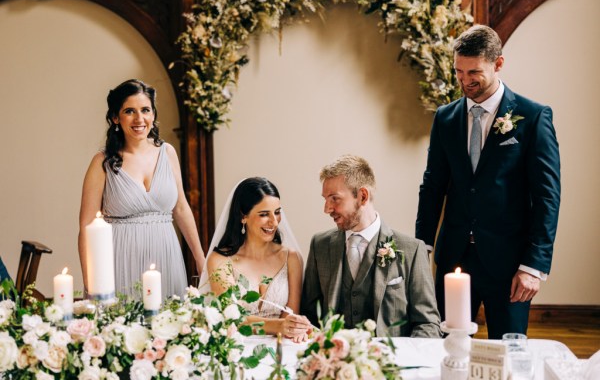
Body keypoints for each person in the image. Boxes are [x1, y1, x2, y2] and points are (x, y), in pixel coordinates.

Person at [416, 25, 561, 338]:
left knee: (506, 353)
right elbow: (433, 186)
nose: (465, 80)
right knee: (446, 349)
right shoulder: (445, 117)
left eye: (474, 72)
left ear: (498, 64)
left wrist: (532, 266)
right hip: (454, 258)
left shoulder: (533, 117)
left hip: (509, 263)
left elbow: (547, 197)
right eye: (458, 71)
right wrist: (421, 247)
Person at [78, 79, 205, 300]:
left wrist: (201, 261)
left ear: (153, 115)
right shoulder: (102, 163)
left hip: (167, 256)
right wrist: (90, 283)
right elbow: (86, 228)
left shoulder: (168, 153)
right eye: (130, 111)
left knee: (172, 326)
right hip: (120, 259)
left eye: (145, 110)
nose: (139, 119)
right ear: (116, 118)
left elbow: (182, 209)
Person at [301, 155, 441, 338]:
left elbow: (427, 324)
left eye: (334, 199)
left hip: (390, 362)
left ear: (363, 196)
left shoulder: (412, 250)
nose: (326, 209)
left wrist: (400, 361)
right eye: (325, 199)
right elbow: (309, 316)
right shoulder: (320, 245)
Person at [201, 177, 312, 342]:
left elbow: (291, 313)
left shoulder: (292, 258)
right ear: (243, 216)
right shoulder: (220, 260)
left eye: (277, 212)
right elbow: (232, 318)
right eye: (264, 214)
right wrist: (280, 326)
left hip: (283, 345)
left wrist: (296, 326)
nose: (274, 222)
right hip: (237, 346)